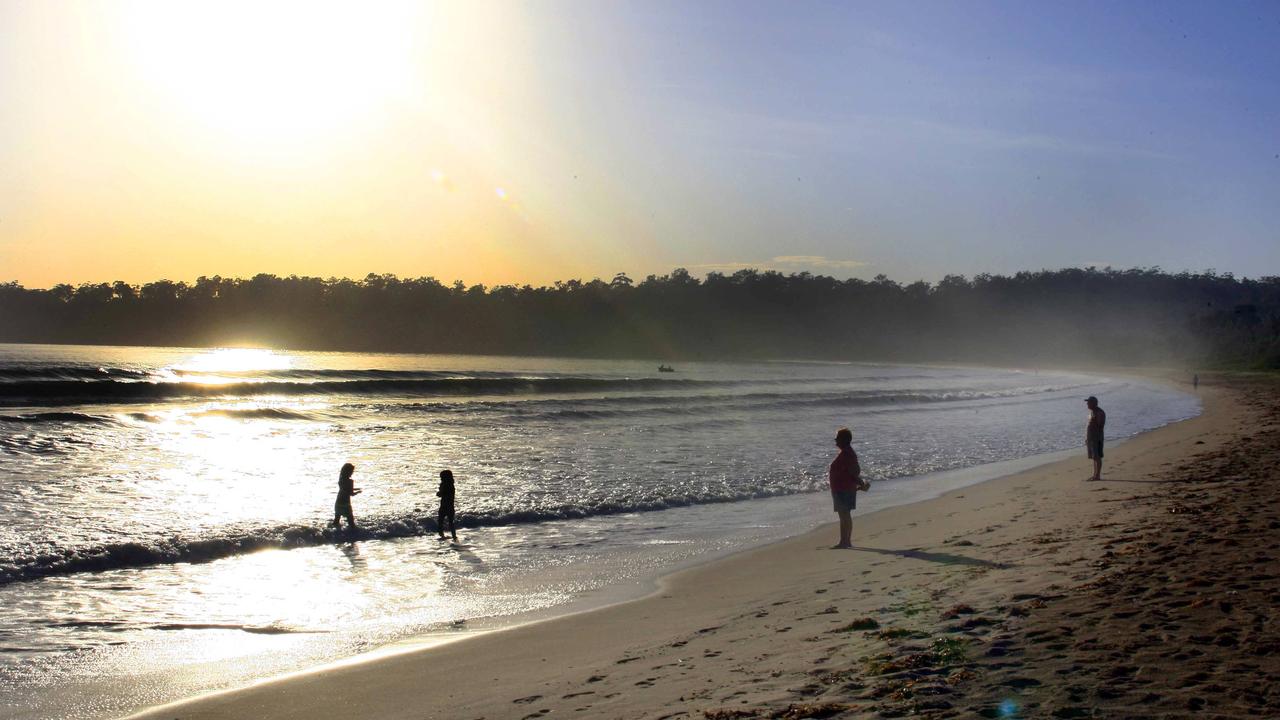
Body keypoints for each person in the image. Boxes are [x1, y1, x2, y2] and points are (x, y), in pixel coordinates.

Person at [828, 427, 870, 549]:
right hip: (843, 488)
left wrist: (861, 484)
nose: (835, 440)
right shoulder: (846, 452)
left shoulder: (847, 454)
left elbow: (854, 471)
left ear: (843, 440)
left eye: (837, 438)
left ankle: (844, 541)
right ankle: (846, 541)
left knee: (844, 515)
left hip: (843, 488)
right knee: (845, 515)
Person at [332, 462, 361, 531]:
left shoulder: (341, 480)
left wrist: (354, 489)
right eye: (352, 471)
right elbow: (351, 494)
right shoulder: (350, 481)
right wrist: (358, 492)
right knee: (351, 524)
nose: (352, 473)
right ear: (349, 472)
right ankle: (353, 537)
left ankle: (333, 535)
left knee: (336, 522)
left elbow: (344, 489)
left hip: (338, 502)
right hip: (346, 504)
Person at [1085, 396, 1106, 481]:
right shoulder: (1092, 412)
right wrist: (1087, 438)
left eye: (1089, 402)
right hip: (1091, 437)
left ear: (1094, 403)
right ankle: (1095, 475)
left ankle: (1097, 475)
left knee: (1097, 457)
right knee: (1094, 457)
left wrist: (1095, 437)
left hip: (1096, 438)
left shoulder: (1099, 412)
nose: (1087, 403)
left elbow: (1100, 426)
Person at [437, 469, 458, 541]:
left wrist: (439, 492)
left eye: (442, 477)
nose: (441, 479)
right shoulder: (451, 485)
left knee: (440, 521)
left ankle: (441, 535)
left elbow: (441, 494)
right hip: (450, 506)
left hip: (444, 506)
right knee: (451, 522)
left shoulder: (445, 485)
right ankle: (454, 536)